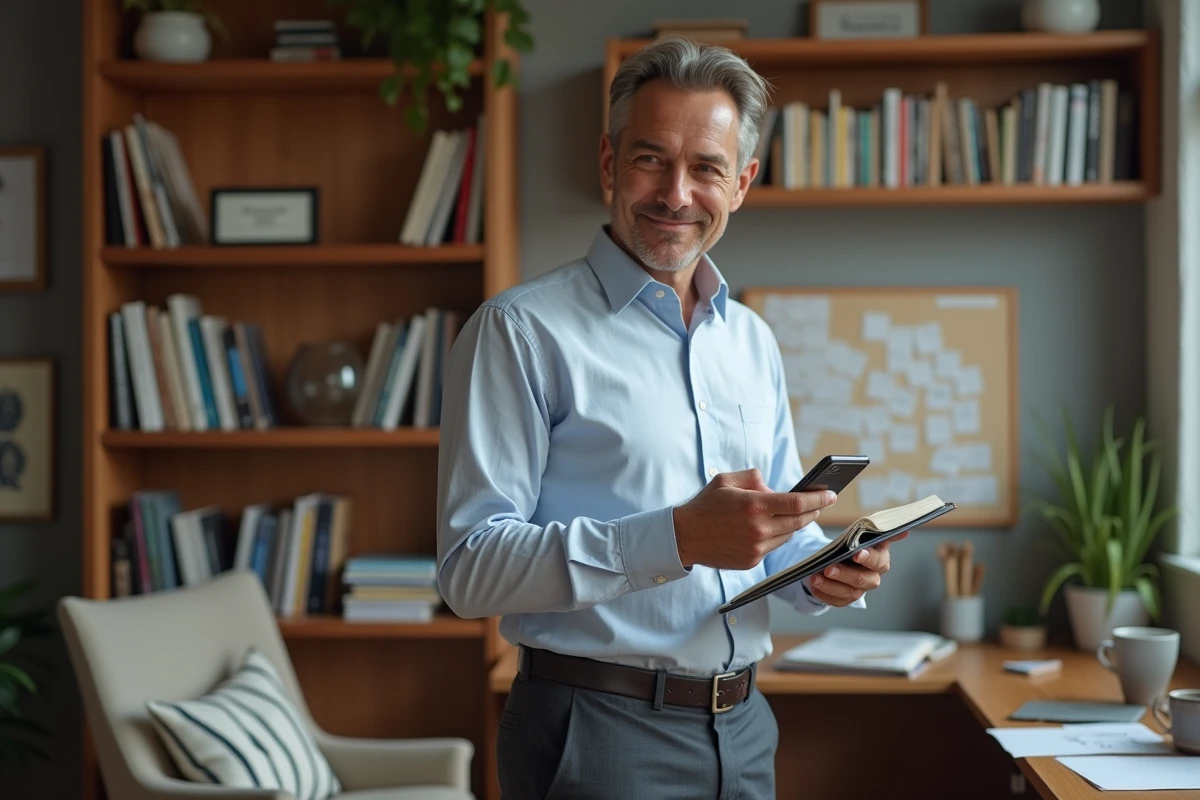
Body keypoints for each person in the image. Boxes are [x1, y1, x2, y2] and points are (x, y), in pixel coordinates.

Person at [435, 34, 903, 800]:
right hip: (594, 730)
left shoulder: (750, 339)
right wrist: (677, 537)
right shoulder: (519, 331)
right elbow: (470, 571)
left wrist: (824, 572)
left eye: (707, 168)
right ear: (609, 163)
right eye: (651, 159)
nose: (676, 194)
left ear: (742, 183)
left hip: (744, 728)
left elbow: (773, 537)